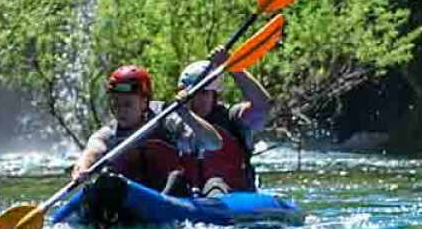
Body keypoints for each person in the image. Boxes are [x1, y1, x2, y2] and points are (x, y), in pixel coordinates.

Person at [160, 54, 272, 195]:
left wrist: (232, 66)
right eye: (192, 95)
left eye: (204, 94)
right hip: (189, 197)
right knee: (175, 178)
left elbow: (263, 106)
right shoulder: (173, 122)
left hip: (231, 197)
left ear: (215, 96)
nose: (196, 100)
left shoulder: (233, 118)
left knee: (215, 183)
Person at [71, 65, 180, 191]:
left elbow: (200, 139)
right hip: (134, 196)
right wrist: (83, 167)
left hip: (172, 194)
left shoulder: (167, 116)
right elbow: (93, 149)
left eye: (128, 104)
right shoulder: (109, 133)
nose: (121, 111)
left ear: (144, 102)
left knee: (177, 178)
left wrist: (186, 114)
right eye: (116, 104)